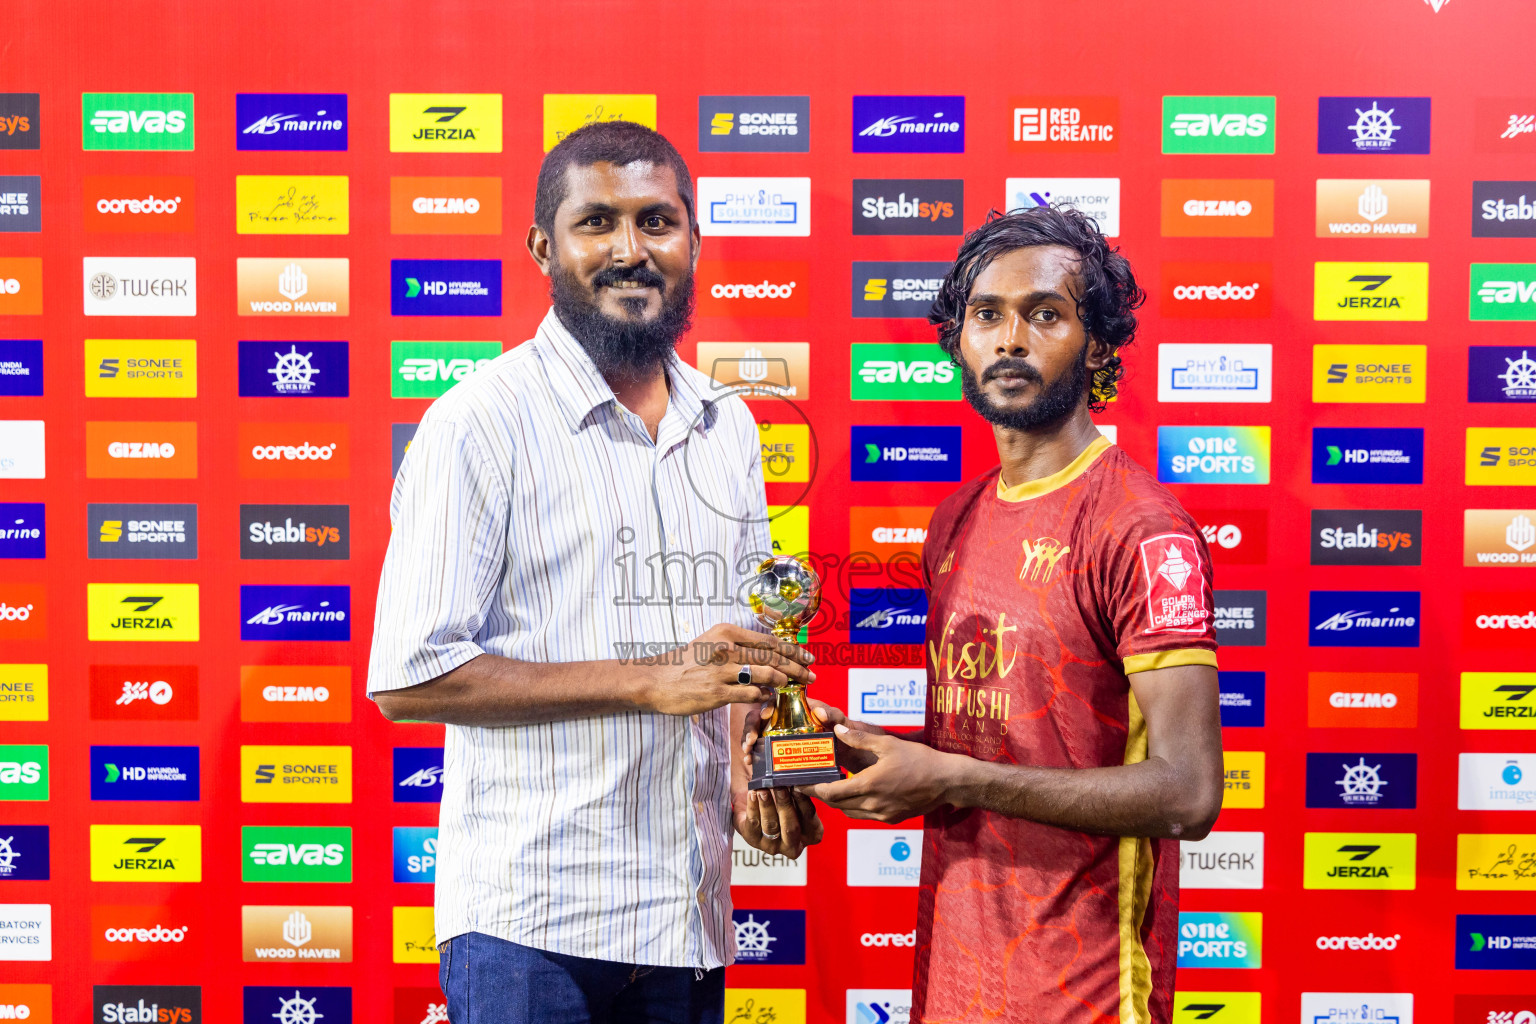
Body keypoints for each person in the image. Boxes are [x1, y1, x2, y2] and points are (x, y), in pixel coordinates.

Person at [368, 120, 821, 1024]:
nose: (630, 250)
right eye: (596, 223)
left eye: (656, 222)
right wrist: (651, 683)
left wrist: (756, 772)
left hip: (689, 918)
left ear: (693, 239)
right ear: (544, 246)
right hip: (534, 928)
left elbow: (736, 648)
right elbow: (410, 680)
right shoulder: (479, 424)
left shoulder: (727, 424)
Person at [752, 207, 1223, 1024]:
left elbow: (1188, 793)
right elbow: (989, 739)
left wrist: (953, 779)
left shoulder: (1139, 528)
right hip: (953, 971)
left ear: (1098, 345)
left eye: (1045, 314)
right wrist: (834, 746)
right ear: (958, 343)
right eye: (987, 315)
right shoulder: (958, 517)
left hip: (1085, 991)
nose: (1010, 339)